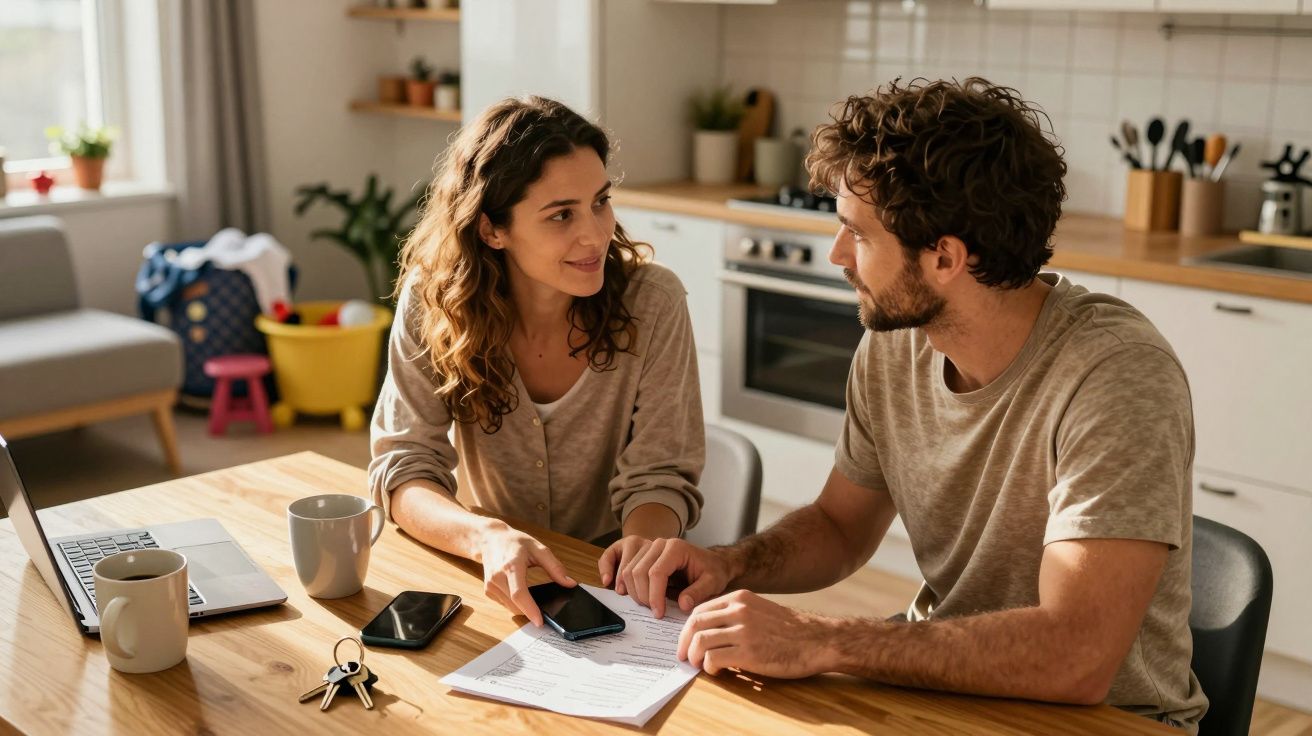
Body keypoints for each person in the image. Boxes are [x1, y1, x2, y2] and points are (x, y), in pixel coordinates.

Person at [619, 78, 1208, 732]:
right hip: (945, 694)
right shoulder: (898, 347)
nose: (837, 255)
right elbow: (841, 528)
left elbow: (1077, 657)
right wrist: (728, 565)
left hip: (1108, 720)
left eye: (857, 236)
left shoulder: (1115, 375)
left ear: (946, 257)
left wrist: (823, 639)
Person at [369, 96, 704, 628]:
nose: (594, 234)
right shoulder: (434, 302)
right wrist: (484, 536)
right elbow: (404, 468)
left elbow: (659, 475)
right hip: (488, 572)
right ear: (491, 230)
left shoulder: (653, 303)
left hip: (615, 588)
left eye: (600, 201)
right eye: (561, 214)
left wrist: (639, 550)